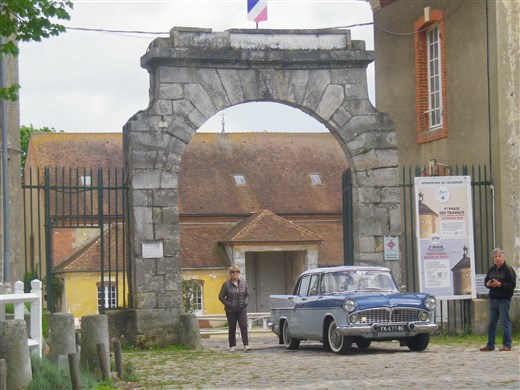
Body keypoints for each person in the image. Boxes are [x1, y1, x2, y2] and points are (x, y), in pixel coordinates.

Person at [480, 247, 517, 352]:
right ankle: (490, 345)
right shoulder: (491, 270)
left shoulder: (509, 270)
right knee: (491, 323)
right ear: (493, 258)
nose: (497, 258)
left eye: (499, 256)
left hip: (504, 300)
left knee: (505, 322)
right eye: (495, 256)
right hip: (493, 299)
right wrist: (488, 284)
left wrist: (500, 284)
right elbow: (486, 281)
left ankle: (507, 345)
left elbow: (512, 285)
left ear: (503, 257)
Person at [218, 265, 250, 352]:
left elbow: (247, 295)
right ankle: (232, 345)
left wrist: (246, 302)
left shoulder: (243, 283)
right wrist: (229, 304)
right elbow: (221, 297)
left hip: (242, 309)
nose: (235, 274)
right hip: (231, 310)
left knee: (243, 326)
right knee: (232, 327)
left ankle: (246, 345)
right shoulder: (226, 285)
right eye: (233, 272)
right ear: (230, 274)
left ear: (239, 273)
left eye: (237, 272)